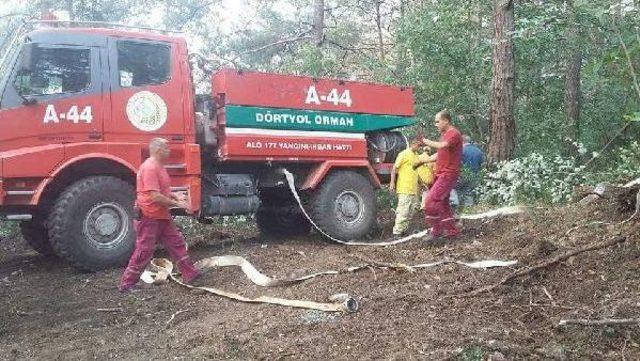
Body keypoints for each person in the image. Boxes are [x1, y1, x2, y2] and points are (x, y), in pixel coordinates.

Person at [119, 138, 201, 292]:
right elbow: (155, 196)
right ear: (157, 150)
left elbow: (162, 190)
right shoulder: (150, 168)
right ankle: (127, 283)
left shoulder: (160, 167)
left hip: (161, 216)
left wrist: (175, 196)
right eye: (166, 148)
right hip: (149, 216)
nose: (169, 150)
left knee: (176, 243)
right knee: (144, 250)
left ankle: (191, 274)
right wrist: (178, 204)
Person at [417, 111, 463, 240]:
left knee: (430, 201)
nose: (435, 124)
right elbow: (440, 153)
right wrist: (423, 161)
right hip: (441, 173)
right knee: (443, 204)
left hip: (448, 175)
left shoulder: (453, 134)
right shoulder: (444, 135)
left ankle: (436, 231)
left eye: (437, 121)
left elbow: (442, 146)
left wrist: (425, 141)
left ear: (446, 121)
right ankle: (451, 231)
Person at [390, 138, 422, 238]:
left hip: (414, 189)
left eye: (420, 146)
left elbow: (416, 172)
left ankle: (404, 229)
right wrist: (392, 183)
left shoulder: (417, 156)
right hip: (404, 187)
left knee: (412, 210)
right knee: (403, 210)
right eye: (418, 145)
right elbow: (394, 168)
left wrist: (421, 184)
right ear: (413, 144)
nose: (419, 147)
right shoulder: (404, 154)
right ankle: (397, 232)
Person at [458, 135, 485, 206]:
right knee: (471, 192)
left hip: (463, 175)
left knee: (460, 191)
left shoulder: (461, 151)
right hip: (476, 175)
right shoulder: (478, 151)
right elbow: (482, 164)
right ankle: (472, 207)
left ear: (462, 142)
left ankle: (464, 208)